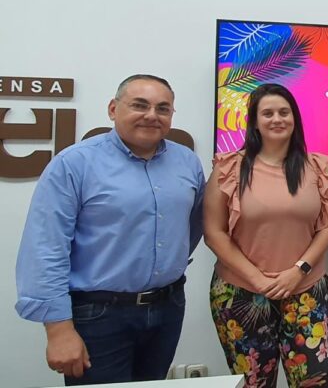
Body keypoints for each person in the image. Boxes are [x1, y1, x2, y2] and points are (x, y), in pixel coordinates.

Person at [15, 74, 205, 385]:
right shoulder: (74, 164)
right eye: (139, 105)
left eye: (162, 108)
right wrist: (58, 328)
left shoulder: (187, 162)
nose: (151, 115)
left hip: (168, 309)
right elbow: (45, 247)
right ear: (113, 109)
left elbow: (192, 226)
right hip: (98, 315)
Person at [205, 83, 328, 388]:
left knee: (314, 380)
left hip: (305, 290)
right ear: (254, 121)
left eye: (284, 112)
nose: (277, 119)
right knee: (254, 382)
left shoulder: (318, 167)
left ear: (294, 118)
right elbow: (214, 232)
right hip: (241, 292)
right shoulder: (229, 168)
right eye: (267, 113)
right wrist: (257, 279)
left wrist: (298, 270)